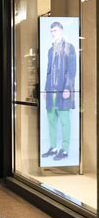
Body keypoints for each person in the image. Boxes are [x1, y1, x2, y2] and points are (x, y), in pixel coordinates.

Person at [41, 21, 76, 161]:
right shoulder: (50, 50)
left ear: (61, 30)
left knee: (64, 120)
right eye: (51, 31)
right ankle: (53, 147)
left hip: (63, 91)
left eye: (54, 30)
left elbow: (72, 70)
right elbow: (48, 72)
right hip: (51, 92)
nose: (52, 33)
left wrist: (68, 87)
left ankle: (65, 150)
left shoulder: (69, 48)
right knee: (51, 120)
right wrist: (45, 89)